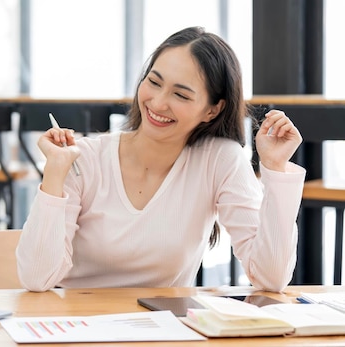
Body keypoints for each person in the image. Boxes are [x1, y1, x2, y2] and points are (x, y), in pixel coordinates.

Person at [16, 26, 305, 292]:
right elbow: (37, 278)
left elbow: (271, 278)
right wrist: (54, 172)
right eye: (153, 82)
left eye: (181, 94)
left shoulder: (219, 160)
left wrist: (275, 168)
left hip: (163, 329)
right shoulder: (85, 159)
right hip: (74, 326)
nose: (157, 102)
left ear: (212, 110)